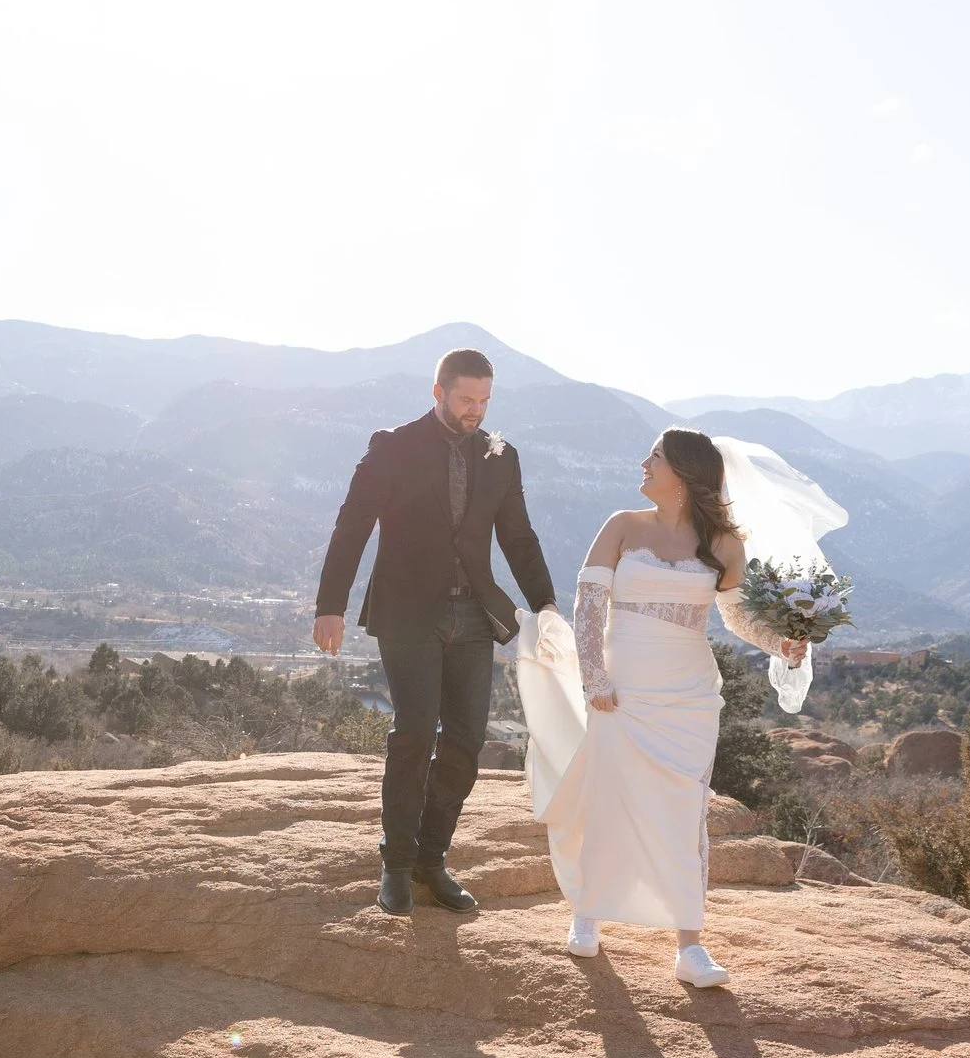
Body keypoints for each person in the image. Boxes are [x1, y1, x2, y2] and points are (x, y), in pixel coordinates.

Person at [518, 429, 824, 988]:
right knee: (609, 796)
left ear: (681, 473)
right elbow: (589, 608)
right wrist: (595, 678)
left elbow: (737, 618)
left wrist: (783, 644)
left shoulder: (726, 544)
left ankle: (690, 945)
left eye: (654, 457)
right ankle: (587, 913)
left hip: (689, 694)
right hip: (623, 687)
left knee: (686, 813)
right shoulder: (621, 525)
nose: (643, 462)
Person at [314, 347, 557, 916]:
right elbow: (352, 526)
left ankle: (431, 858)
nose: (476, 411)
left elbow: (518, 537)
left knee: (467, 740)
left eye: (484, 401)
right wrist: (331, 606)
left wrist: (544, 602)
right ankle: (395, 864)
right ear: (438, 391)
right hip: (407, 611)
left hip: (475, 614)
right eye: (466, 399)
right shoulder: (391, 447)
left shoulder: (501, 456)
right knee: (415, 734)